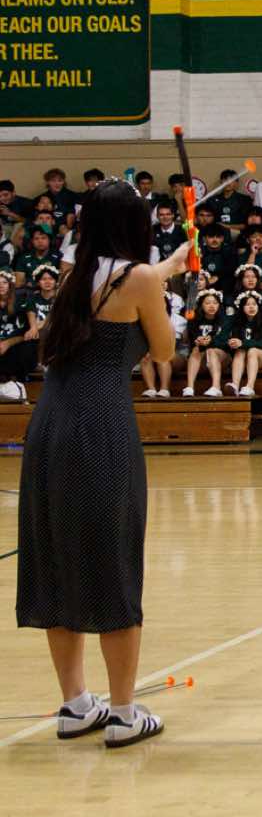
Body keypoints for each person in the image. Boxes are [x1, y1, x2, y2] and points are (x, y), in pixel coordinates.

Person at [15, 180, 186, 747]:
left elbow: (132, 284)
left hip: (49, 428)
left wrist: (169, 268)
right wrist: (165, 282)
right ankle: (124, 712)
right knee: (114, 562)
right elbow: (163, 351)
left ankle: (74, 704)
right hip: (101, 426)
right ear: (134, 225)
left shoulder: (73, 276)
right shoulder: (138, 279)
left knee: (57, 561)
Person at [223, 290, 262, 397]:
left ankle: (250, 386)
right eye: (247, 305)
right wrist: (232, 343)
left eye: (254, 304)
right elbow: (236, 344)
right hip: (246, 359)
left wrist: (243, 343)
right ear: (242, 308)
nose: (251, 307)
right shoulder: (238, 323)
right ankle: (235, 385)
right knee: (240, 351)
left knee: (252, 351)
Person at [180, 289, 228, 397]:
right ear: (201, 305)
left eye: (215, 303)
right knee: (196, 349)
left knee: (211, 351)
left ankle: (216, 387)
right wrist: (198, 340)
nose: (212, 306)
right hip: (200, 357)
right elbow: (192, 338)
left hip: (222, 356)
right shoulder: (194, 319)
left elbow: (225, 340)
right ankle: (190, 387)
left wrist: (211, 341)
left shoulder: (224, 319)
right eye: (207, 303)